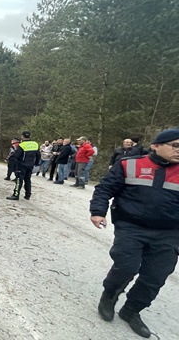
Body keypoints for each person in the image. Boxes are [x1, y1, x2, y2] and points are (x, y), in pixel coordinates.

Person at [90, 128, 179, 338]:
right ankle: (109, 297)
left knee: (155, 276)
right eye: (175, 146)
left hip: (170, 233)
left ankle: (131, 311)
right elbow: (104, 189)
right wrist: (97, 212)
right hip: (131, 227)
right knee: (126, 266)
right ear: (156, 145)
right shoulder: (129, 164)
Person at [7, 131, 39, 200]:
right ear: (29, 136)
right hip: (30, 165)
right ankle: (28, 194)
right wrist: (36, 163)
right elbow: (38, 155)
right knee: (28, 179)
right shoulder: (35, 144)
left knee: (19, 180)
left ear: (22, 136)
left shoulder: (21, 145)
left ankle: (16, 195)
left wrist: (14, 161)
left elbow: (17, 155)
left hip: (22, 165)